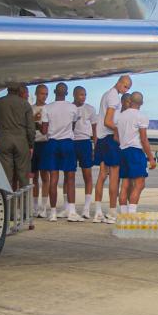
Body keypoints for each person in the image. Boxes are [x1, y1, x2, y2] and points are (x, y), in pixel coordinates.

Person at [0, 83, 35, 191]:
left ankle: (6, 200)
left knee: (6, 175)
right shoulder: (25, 104)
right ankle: (23, 204)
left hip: (4, 139)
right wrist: (31, 144)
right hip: (21, 140)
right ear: (19, 90)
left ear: (7, 89)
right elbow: (31, 129)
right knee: (23, 175)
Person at [40, 83, 82, 222]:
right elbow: (73, 125)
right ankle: (71, 211)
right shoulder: (73, 108)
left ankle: (52, 212)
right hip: (67, 143)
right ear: (67, 93)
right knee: (70, 178)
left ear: (54, 92)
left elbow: (44, 131)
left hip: (52, 143)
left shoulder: (47, 108)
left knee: (53, 178)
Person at [93, 75, 132, 224]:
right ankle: (112, 212)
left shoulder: (106, 94)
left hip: (102, 138)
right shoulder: (114, 97)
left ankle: (97, 212)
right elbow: (108, 121)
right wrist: (119, 130)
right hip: (110, 139)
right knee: (114, 176)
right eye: (125, 86)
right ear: (119, 83)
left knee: (102, 175)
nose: (126, 89)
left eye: (128, 88)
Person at [114, 92, 156, 213]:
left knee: (125, 184)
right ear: (141, 103)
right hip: (135, 151)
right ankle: (131, 215)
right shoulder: (141, 116)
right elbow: (143, 139)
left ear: (130, 101)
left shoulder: (120, 116)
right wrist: (151, 158)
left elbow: (116, 138)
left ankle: (123, 216)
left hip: (123, 151)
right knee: (139, 184)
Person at [60, 86, 98, 219]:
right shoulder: (69, 108)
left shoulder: (90, 109)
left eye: (85, 95)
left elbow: (95, 130)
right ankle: (68, 208)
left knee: (87, 175)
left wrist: (95, 147)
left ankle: (86, 209)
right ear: (74, 95)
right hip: (70, 142)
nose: (83, 97)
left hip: (85, 143)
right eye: (81, 95)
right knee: (68, 176)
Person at [30, 84, 50, 217]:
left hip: (45, 143)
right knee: (34, 177)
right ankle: (35, 206)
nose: (44, 96)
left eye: (46, 94)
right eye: (42, 93)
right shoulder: (30, 109)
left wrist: (39, 124)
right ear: (36, 93)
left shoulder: (49, 109)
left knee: (45, 176)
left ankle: (44, 207)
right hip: (33, 144)